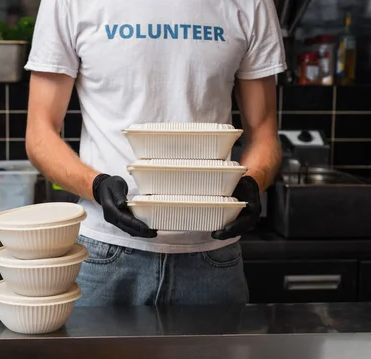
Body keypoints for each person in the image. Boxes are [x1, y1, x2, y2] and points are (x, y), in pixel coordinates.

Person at [25, 0, 285, 306]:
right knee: (92, 357)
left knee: (219, 357)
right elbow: (39, 133)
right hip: (105, 253)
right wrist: (96, 186)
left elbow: (264, 133)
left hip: (213, 254)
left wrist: (252, 183)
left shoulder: (251, 3)